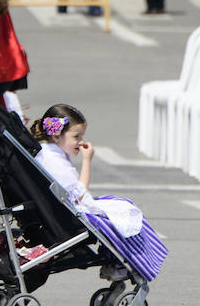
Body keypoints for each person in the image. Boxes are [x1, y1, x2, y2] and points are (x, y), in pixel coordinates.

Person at [30, 104, 167, 280]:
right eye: (76, 136)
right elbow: (78, 192)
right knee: (124, 212)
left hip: (62, 209)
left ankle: (118, 262)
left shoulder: (47, 153)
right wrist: (87, 161)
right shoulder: (53, 160)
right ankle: (130, 263)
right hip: (71, 213)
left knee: (121, 204)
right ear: (56, 135)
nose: (80, 142)